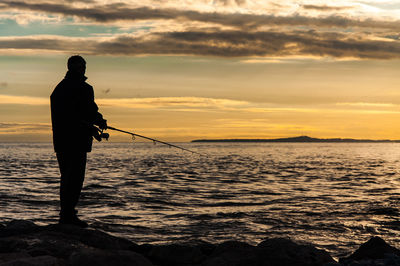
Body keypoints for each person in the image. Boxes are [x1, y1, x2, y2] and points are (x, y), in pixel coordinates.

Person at [50, 55, 107, 227]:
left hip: (61, 141)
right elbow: (87, 113)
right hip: (76, 142)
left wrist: (94, 128)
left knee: (67, 178)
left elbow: (77, 115)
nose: (83, 69)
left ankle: (66, 215)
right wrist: (99, 123)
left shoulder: (58, 89)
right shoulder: (83, 88)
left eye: (84, 66)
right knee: (74, 179)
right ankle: (68, 216)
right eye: (81, 66)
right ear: (74, 67)